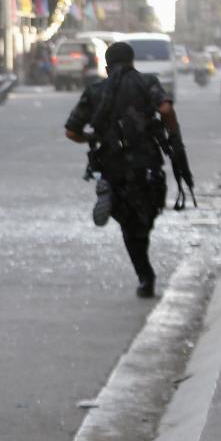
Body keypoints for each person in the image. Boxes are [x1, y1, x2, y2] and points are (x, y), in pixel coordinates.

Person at [64, 42, 188, 298]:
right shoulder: (146, 82)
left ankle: (145, 276)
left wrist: (93, 138)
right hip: (147, 166)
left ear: (107, 68)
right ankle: (144, 265)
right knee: (145, 218)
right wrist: (173, 137)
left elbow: (71, 131)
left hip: (113, 167)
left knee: (128, 225)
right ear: (133, 63)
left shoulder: (96, 90)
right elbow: (165, 108)